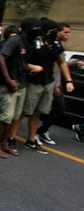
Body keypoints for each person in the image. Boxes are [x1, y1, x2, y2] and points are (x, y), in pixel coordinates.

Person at [20, 19, 74, 154]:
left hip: (48, 82)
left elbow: (62, 63)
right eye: (53, 30)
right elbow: (22, 61)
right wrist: (31, 67)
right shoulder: (34, 42)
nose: (54, 33)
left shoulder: (55, 44)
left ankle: (31, 139)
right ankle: (9, 137)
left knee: (38, 112)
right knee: (24, 111)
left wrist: (68, 80)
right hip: (33, 82)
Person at [0, 18, 42, 158]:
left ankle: (4, 143)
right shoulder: (15, 41)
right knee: (6, 116)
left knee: (14, 116)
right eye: (35, 29)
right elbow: (1, 59)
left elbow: (22, 63)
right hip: (10, 85)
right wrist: (8, 80)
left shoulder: (29, 43)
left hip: (22, 84)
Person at [37, 23, 81, 144]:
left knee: (59, 107)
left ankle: (42, 130)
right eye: (65, 32)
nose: (68, 35)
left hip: (55, 82)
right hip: (45, 81)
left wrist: (68, 78)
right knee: (38, 109)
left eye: (69, 32)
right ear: (58, 32)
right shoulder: (46, 44)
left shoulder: (59, 45)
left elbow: (62, 63)